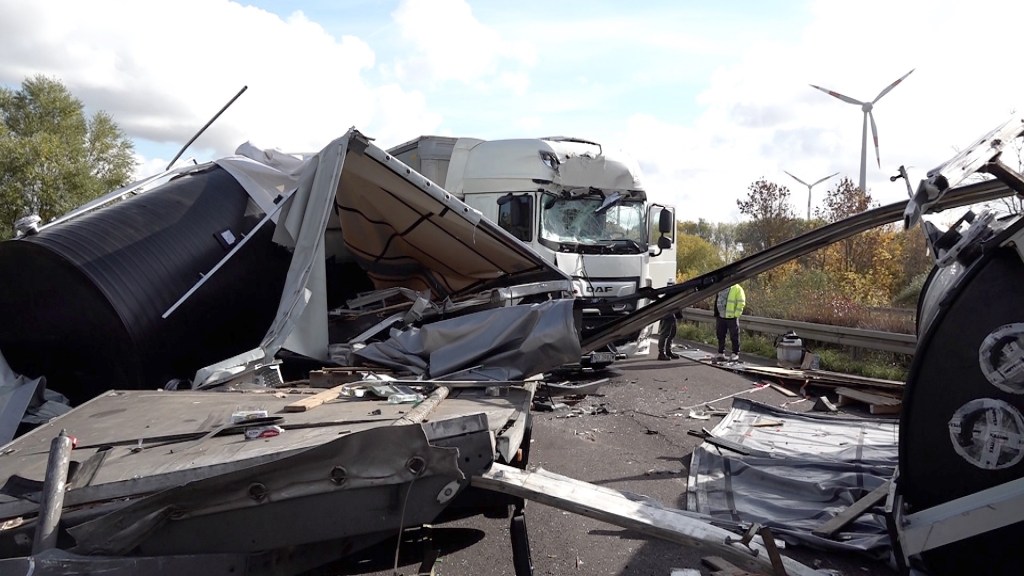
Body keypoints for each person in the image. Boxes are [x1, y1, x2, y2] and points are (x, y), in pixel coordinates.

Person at [714, 283, 746, 361]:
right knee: (720, 335)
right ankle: (721, 353)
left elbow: (741, 302)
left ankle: (735, 353)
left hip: (731, 317)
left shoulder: (737, 288)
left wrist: (736, 315)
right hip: (721, 316)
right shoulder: (721, 286)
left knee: (734, 336)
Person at [657, 281, 682, 361]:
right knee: (664, 335)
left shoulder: (675, 296)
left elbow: (677, 307)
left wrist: (678, 316)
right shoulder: (665, 298)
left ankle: (668, 351)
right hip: (666, 317)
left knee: (672, 334)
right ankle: (661, 353)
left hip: (672, 317)